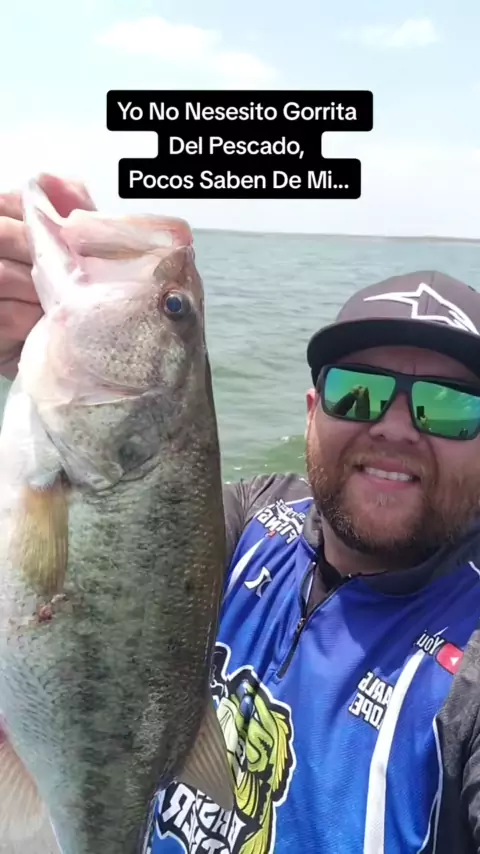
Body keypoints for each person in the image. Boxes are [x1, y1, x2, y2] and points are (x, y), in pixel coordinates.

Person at [2, 176, 480, 854]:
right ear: (312, 414)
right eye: (358, 391)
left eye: (452, 406)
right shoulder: (245, 521)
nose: (395, 427)